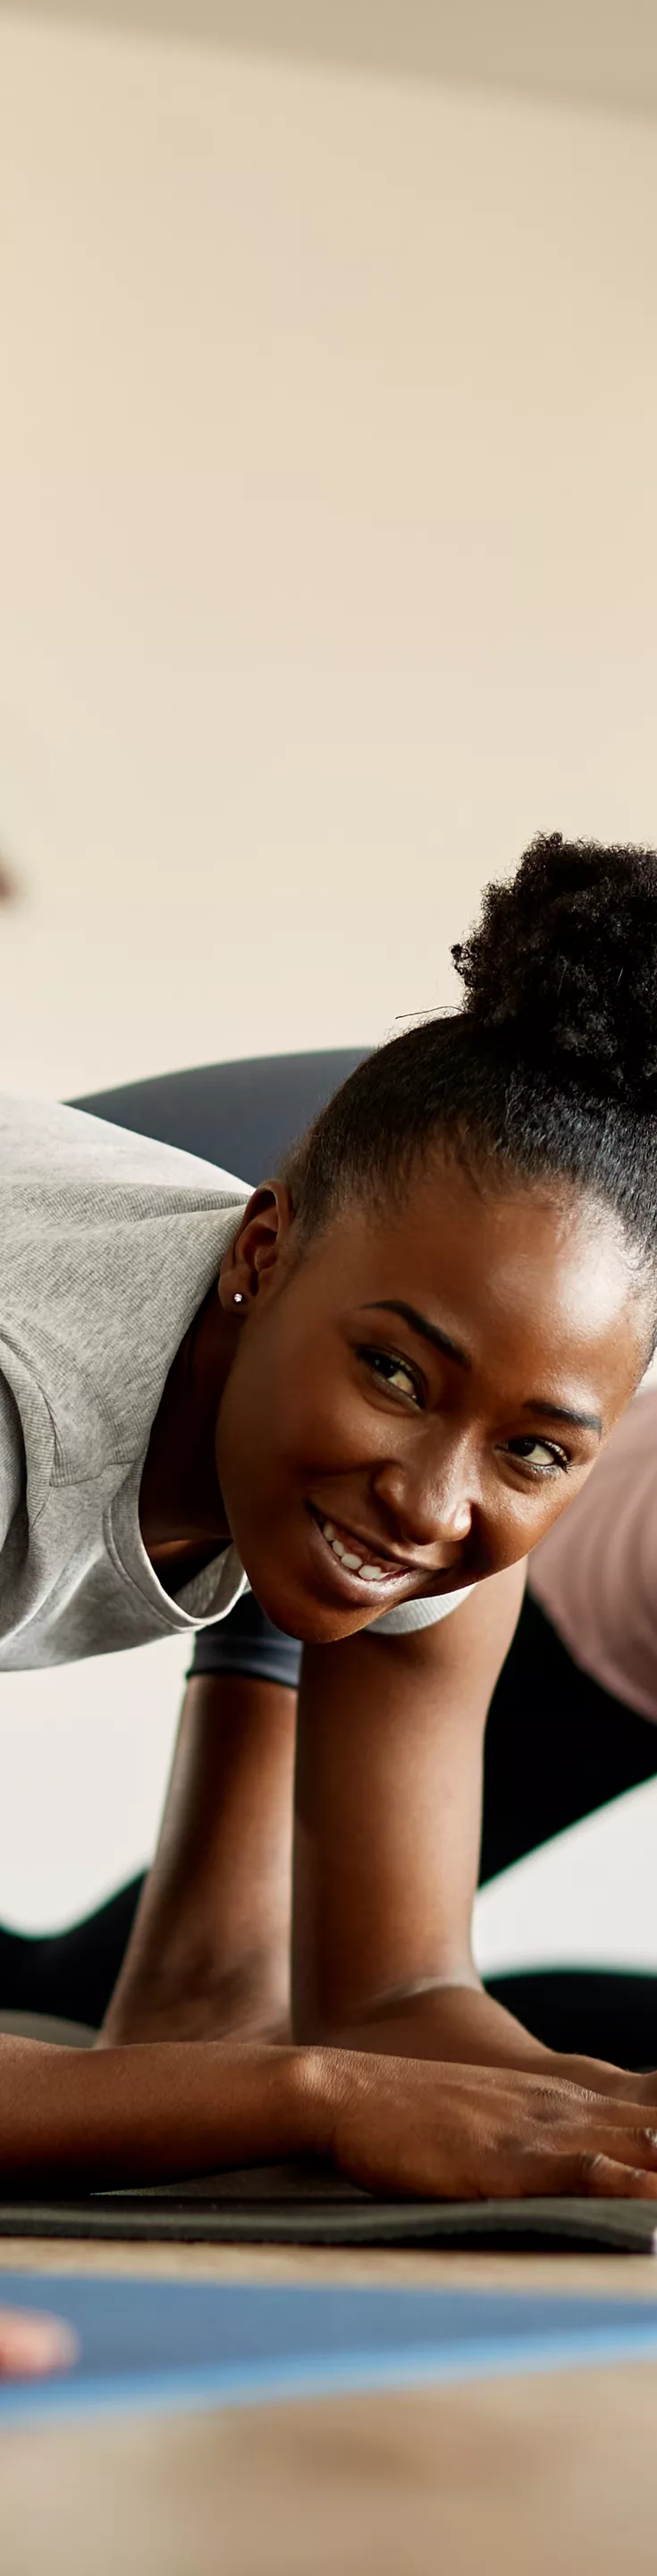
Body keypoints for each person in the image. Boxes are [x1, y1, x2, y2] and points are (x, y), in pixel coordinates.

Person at [2, 829, 657, 2207]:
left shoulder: (457, 1472)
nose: (433, 1503)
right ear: (261, 1252)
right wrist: (314, 2090)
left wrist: (591, 2108)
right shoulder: (23, 1429)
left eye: (534, 1447)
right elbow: (329, 2062)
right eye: (393, 1373)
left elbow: (393, 1995)